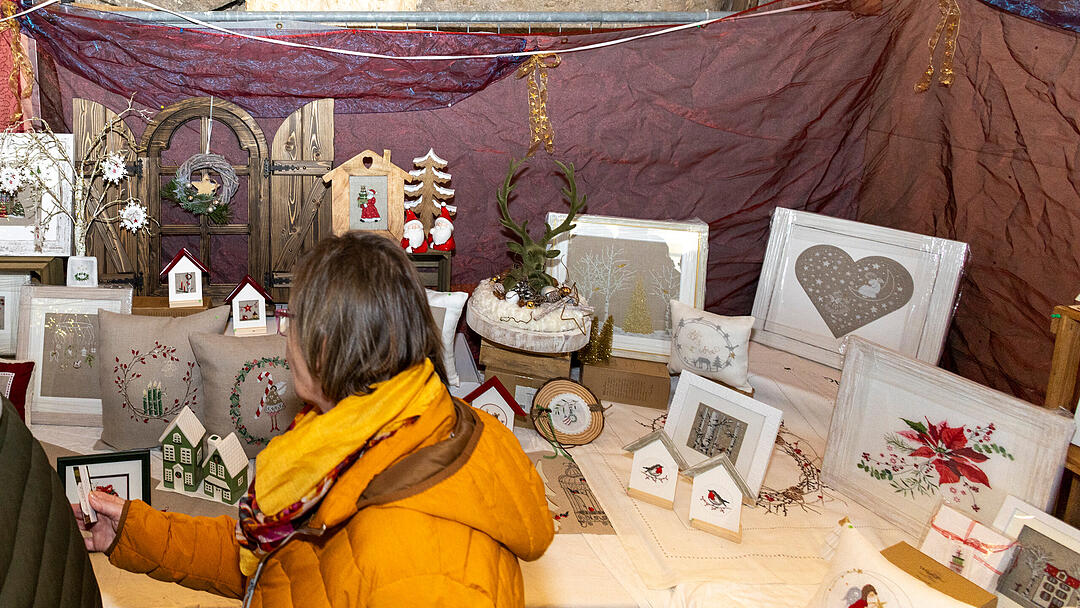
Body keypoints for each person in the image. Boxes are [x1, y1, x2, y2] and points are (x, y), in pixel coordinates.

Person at [76, 231, 555, 607]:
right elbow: (271, 564)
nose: (285, 336)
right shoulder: (359, 439)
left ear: (323, 349)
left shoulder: (421, 562)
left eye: (294, 322)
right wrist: (134, 529)